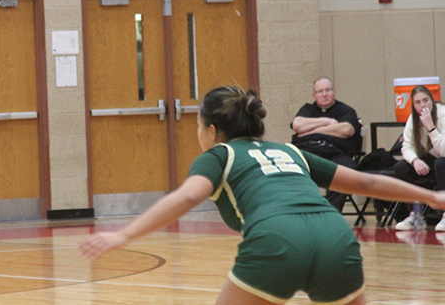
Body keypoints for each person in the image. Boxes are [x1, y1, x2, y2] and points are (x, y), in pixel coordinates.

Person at [77, 86, 445, 305]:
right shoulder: (289, 150)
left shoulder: (219, 156)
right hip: (335, 236)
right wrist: (432, 199)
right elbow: (366, 183)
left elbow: (188, 198)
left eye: (197, 126)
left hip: (277, 240)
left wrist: (124, 234)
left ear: (212, 129)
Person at [291, 77, 362, 211]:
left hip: (335, 154)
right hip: (308, 153)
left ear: (334, 91)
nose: (324, 94)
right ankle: (300, 212)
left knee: (347, 171)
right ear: (314, 95)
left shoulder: (346, 111)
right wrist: (327, 121)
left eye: (328, 90)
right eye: (320, 91)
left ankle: (330, 212)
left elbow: (347, 130)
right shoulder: (308, 109)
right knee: (289, 167)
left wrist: (312, 130)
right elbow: (297, 125)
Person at [392, 85, 445, 231]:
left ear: (432, 100)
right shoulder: (413, 119)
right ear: (413, 105)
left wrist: (431, 128)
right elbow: (406, 146)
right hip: (431, 159)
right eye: (418, 102)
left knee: (441, 163)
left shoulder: (442, 113)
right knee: (401, 167)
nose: (423, 105)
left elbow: (443, 150)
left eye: (425, 100)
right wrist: (415, 160)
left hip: (442, 158)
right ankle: (415, 214)